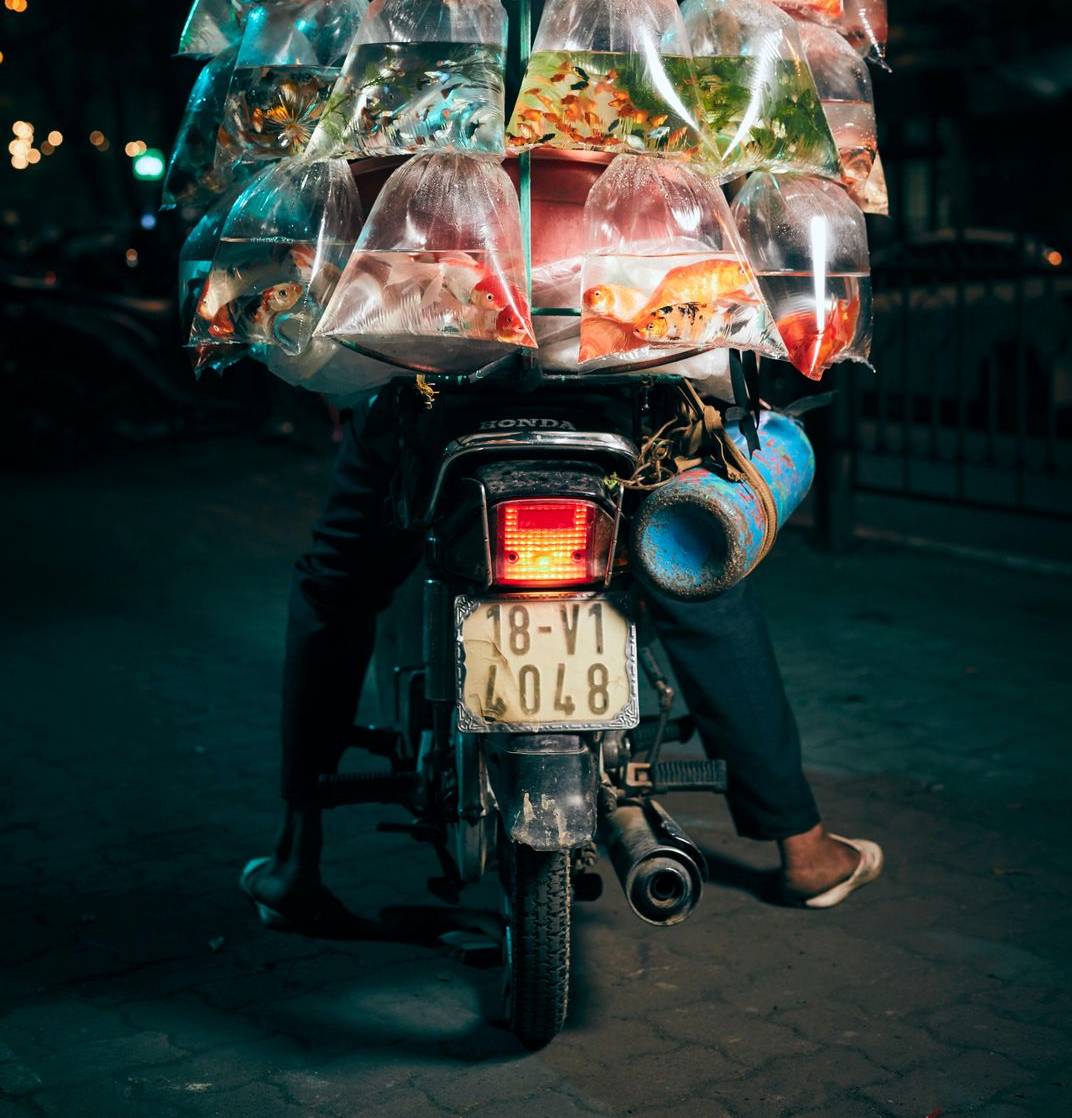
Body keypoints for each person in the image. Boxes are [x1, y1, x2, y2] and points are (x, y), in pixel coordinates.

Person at [242, 377, 882, 929]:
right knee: (699, 576)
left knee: (336, 587)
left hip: (440, 403)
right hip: (624, 404)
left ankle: (297, 856)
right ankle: (803, 847)